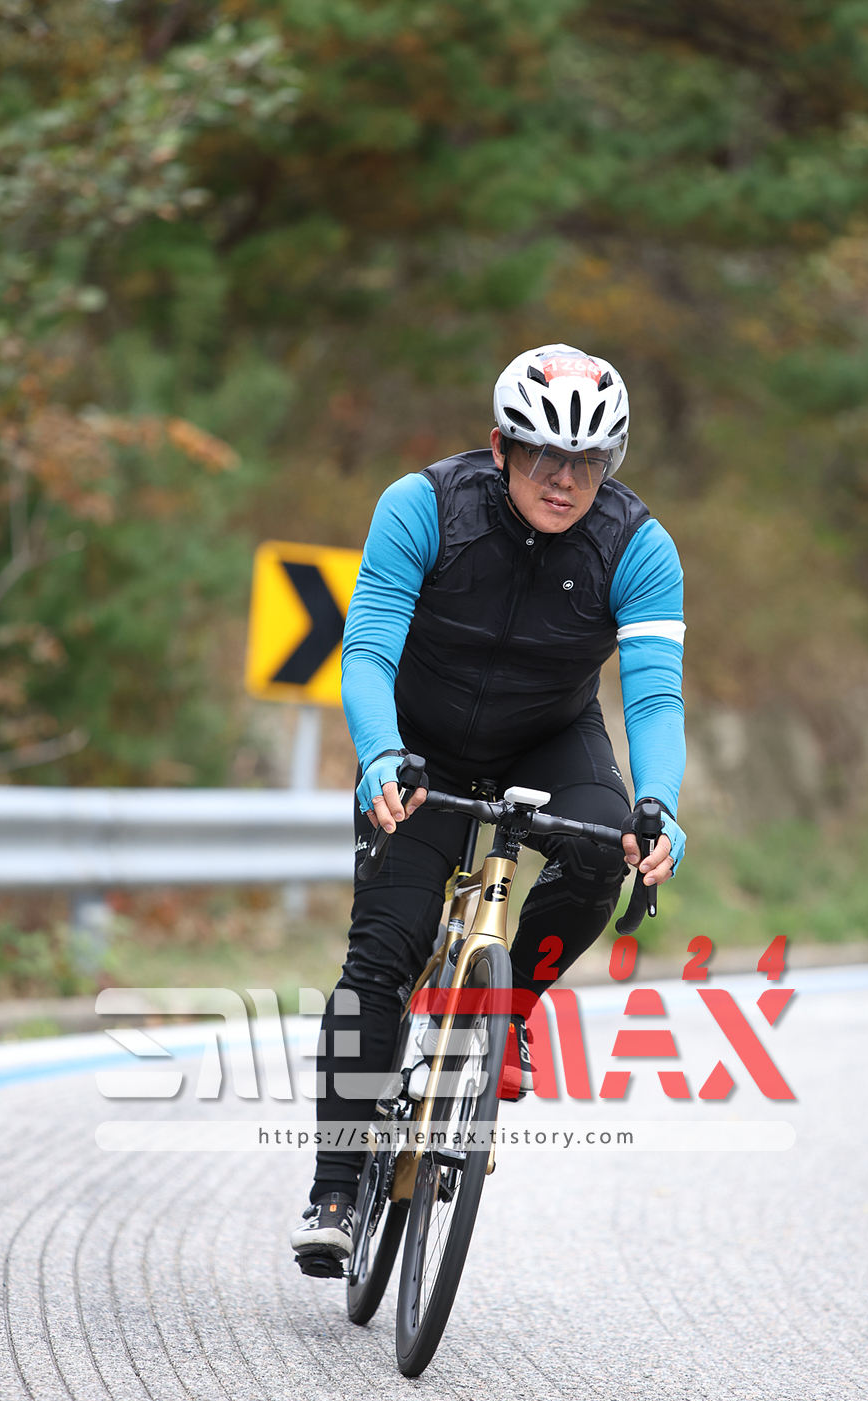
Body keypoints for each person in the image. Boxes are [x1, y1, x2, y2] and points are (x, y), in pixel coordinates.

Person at [290, 344, 687, 1275]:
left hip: (550, 736)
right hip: (419, 744)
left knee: (607, 848)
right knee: (381, 956)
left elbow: (655, 698)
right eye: (544, 455)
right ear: (502, 446)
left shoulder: (639, 547)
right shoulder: (423, 506)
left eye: (587, 462)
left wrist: (660, 805)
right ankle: (335, 1190)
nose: (564, 480)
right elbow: (368, 651)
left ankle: (505, 1006)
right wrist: (379, 754)